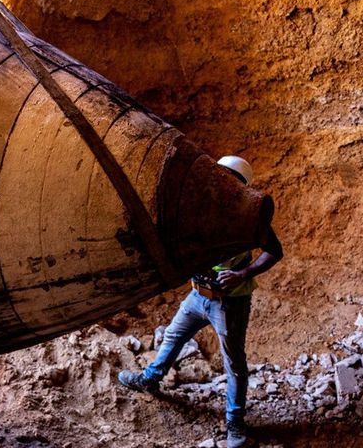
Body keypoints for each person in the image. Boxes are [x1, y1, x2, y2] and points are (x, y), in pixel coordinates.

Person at [117, 155, 283, 448]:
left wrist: (243, 273)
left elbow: (274, 250)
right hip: (198, 294)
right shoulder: (199, 209)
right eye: (219, 176)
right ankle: (150, 379)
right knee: (173, 335)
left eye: (230, 179)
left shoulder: (248, 216)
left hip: (229, 302)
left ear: (241, 186)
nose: (222, 183)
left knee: (234, 364)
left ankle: (235, 423)